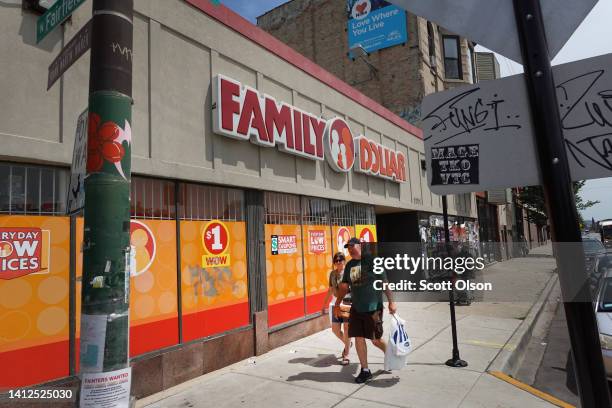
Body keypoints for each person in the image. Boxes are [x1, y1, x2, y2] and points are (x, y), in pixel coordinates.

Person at [334, 238, 397, 383]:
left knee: (375, 340)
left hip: (373, 307)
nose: (349, 249)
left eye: (352, 246)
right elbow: (345, 286)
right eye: (347, 247)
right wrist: (337, 303)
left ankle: (391, 355)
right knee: (358, 337)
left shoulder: (373, 261)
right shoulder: (350, 265)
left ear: (360, 246)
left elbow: (384, 282)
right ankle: (365, 370)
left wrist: (392, 302)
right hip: (357, 307)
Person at [322, 252, 352, 365]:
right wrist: (323, 305)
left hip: (346, 302)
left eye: (340, 260)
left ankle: (346, 354)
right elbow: (330, 289)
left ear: (344, 260)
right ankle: (348, 343)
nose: (338, 262)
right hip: (335, 303)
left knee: (346, 328)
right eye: (336, 261)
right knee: (335, 330)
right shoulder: (332, 274)